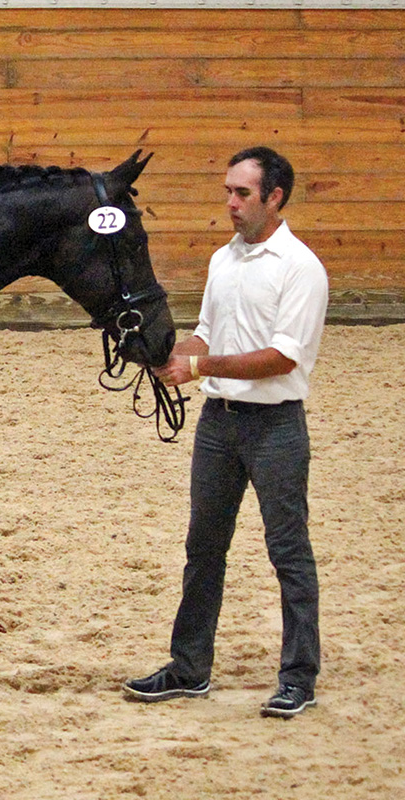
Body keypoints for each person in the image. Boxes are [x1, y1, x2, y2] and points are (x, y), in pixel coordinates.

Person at [123, 146, 329, 718]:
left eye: (242, 193)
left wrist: (199, 367)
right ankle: (189, 667)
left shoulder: (300, 268)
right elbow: (207, 333)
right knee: (203, 548)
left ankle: (299, 677)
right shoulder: (222, 260)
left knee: (288, 551)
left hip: (275, 425)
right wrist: (168, 355)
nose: (231, 203)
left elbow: (282, 357)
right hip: (219, 423)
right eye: (228, 192)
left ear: (274, 197)